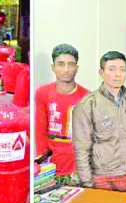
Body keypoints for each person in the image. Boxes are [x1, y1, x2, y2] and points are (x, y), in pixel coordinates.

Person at [72, 51, 126, 192]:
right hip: (102, 179)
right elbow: (81, 149)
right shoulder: (87, 104)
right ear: (101, 73)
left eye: (122, 70)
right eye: (112, 69)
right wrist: (88, 184)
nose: (118, 74)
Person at [35, 43, 89, 185]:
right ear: (53, 67)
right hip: (50, 168)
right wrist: (42, 165)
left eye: (71, 64)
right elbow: (40, 131)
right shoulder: (42, 93)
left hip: (77, 169)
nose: (66, 70)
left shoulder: (87, 97)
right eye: (61, 64)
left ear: (77, 68)